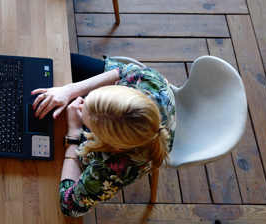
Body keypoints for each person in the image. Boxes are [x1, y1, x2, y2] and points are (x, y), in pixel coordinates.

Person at [31, 54, 175, 217]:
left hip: (126, 154)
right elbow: (121, 71)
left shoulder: (111, 169)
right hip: (148, 123)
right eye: (90, 98)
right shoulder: (149, 79)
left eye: (89, 126)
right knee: (62, 60)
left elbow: (69, 207)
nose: (81, 102)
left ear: (111, 145)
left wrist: (74, 134)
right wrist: (69, 90)